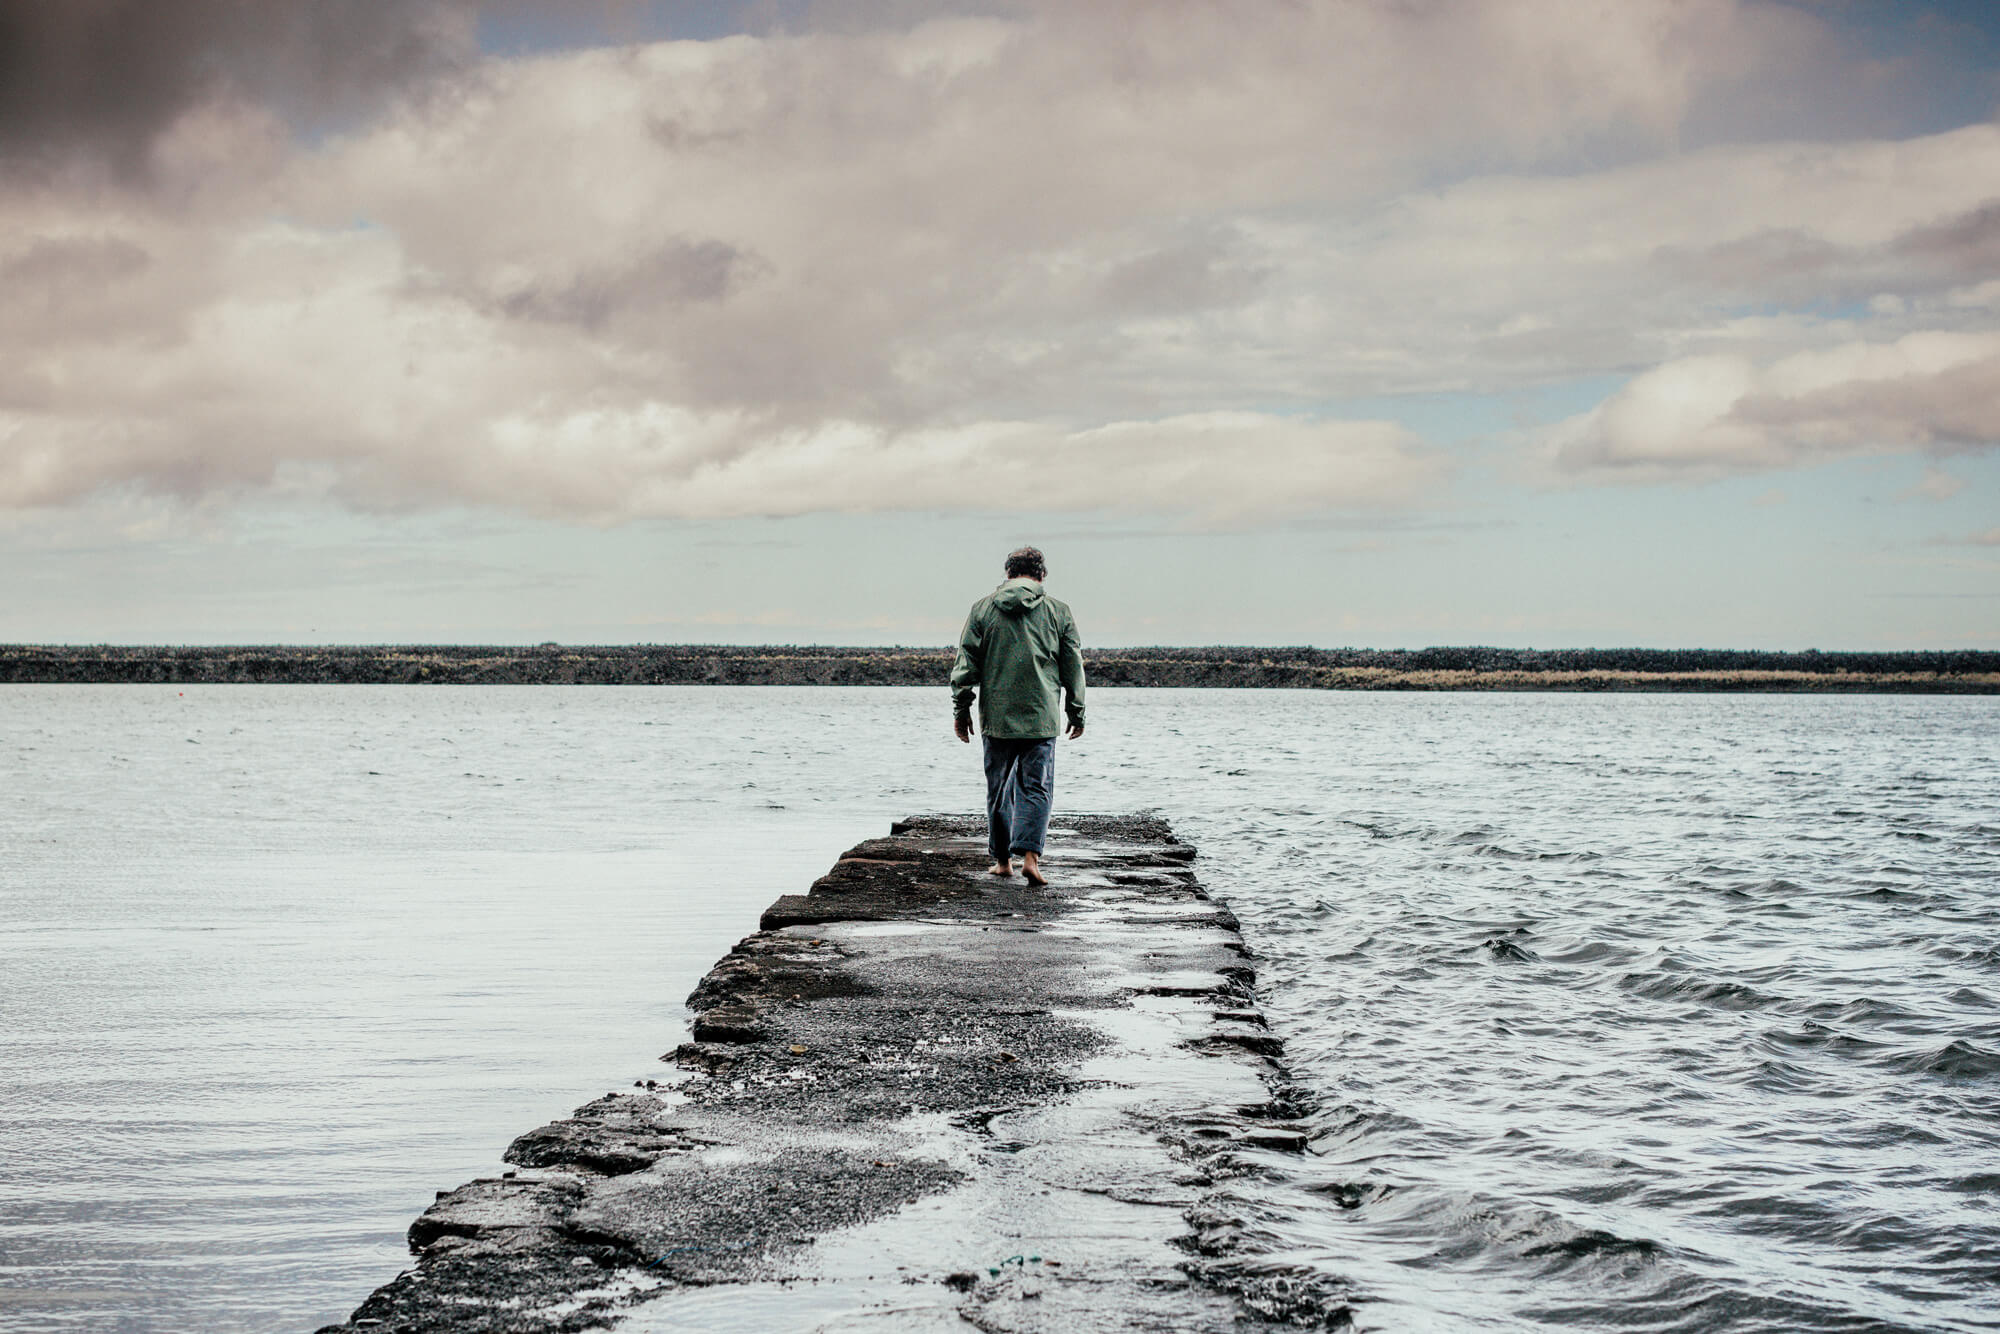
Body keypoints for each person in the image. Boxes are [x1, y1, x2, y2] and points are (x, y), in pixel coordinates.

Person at [949, 546, 1085, 887]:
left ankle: (1001, 862)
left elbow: (966, 664)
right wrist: (1076, 710)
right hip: (1042, 716)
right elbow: (1073, 665)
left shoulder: (982, 609)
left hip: (997, 717)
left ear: (1008, 574)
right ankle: (1031, 859)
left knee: (998, 790)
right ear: (1041, 575)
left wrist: (961, 709)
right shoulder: (1058, 612)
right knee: (1037, 788)